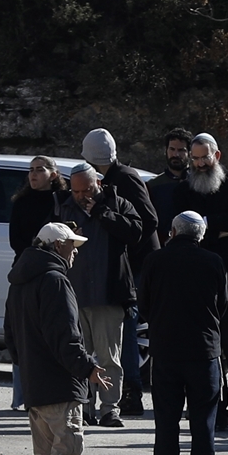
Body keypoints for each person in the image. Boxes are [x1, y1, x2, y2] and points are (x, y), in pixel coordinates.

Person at [4, 222, 111, 455]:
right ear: (57, 246)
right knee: (68, 447)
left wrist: (26, 366)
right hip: (60, 383)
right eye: (72, 246)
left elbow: (11, 334)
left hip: (35, 384)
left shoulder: (20, 280)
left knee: (46, 453)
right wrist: (86, 367)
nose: (75, 252)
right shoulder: (55, 280)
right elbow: (65, 335)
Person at [173, 133, 228, 435]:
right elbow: (183, 228)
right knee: (206, 350)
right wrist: (220, 225)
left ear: (217, 156)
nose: (198, 164)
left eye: (204, 158)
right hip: (198, 280)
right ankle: (217, 411)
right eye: (194, 159)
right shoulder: (185, 188)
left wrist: (205, 224)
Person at [139, 211, 227, 455]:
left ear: (172, 233)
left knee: (166, 421)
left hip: (165, 351)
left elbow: (145, 304)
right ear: (200, 235)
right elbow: (223, 305)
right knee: (203, 422)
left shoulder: (154, 260)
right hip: (204, 351)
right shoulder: (213, 261)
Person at [55, 163, 142, 427]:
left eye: (87, 189)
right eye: (77, 190)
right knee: (79, 357)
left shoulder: (117, 204)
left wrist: (104, 214)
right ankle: (83, 407)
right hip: (75, 294)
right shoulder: (62, 206)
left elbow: (136, 232)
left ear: (99, 184)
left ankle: (109, 408)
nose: (82, 195)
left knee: (109, 357)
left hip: (108, 294)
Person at [82, 128, 160, 417]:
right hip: (128, 265)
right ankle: (127, 392)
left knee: (126, 330)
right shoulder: (117, 177)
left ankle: (131, 393)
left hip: (135, 267)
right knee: (122, 332)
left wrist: (127, 243)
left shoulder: (123, 178)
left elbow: (148, 220)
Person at [9, 156, 67, 411]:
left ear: (53, 175)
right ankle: (21, 397)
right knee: (23, 332)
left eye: (39, 170)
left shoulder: (62, 201)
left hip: (55, 271)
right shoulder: (21, 203)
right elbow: (16, 240)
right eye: (30, 170)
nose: (33, 175)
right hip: (26, 271)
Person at [146, 127, 193, 246]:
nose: (176, 154)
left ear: (189, 153)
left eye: (181, 150)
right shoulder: (153, 186)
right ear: (166, 150)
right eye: (172, 149)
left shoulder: (198, 183)